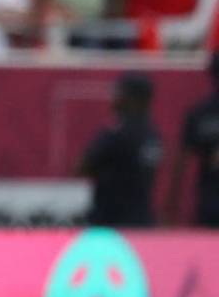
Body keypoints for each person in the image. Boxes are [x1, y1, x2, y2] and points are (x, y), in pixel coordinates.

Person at [79, 73, 162, 227]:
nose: (114, 98)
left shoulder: (117, 133)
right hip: (142, 219)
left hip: (111, 220)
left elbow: (83, 167)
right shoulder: (154, 135)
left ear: (133, 98)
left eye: (118, 93)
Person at [169, 53, 219, 227]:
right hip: (209, 201)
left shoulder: (199, 113)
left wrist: (171, 207)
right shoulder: (199, 114)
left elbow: (180, 165)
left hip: (209, 202)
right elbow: (180, 162)